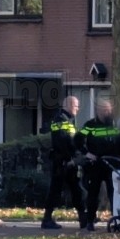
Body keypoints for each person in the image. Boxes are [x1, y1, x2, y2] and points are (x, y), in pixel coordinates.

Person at [75, 99, 118, 231]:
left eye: (108, 109)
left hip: (111, 164)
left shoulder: (114, 124)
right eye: (103, 109)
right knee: (93, 193)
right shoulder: (90, 125)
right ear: (98, 110)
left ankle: (116, 220)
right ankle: (90, 221)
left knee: (114, 193)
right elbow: (77, 140)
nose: (106, 112)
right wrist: (86, 153)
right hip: (95, 164)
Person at [41, 95, 82, 230]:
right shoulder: (61, 120)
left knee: (74, 190)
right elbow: (63, 141)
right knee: (57, 190)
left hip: (65, 161)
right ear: (69, 105)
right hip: (62, 162)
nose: (78, 109)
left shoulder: (67, 120)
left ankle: (83, 217)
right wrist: (70, 158)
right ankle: (47, 219)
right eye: (76, 106)